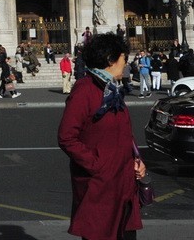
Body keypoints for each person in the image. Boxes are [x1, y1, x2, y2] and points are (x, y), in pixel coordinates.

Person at [58, 32, 146, 240]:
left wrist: (137, 160)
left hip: (123, 183)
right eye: (123, 58)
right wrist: (98, 165)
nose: (125, 64)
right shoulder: (85, 90)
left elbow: (124, 132)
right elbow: (66, 137)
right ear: (110, 59)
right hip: (100, 187)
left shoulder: (111, 90)